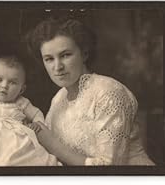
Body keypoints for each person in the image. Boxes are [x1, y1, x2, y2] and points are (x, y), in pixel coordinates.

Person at [26, 17, 155, 165]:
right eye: (49, 59)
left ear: (84, 54)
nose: (57, 67)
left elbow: (109, 169)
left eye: (65, 55)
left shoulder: (108, 93)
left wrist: (53, 145)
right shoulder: (58, 99)